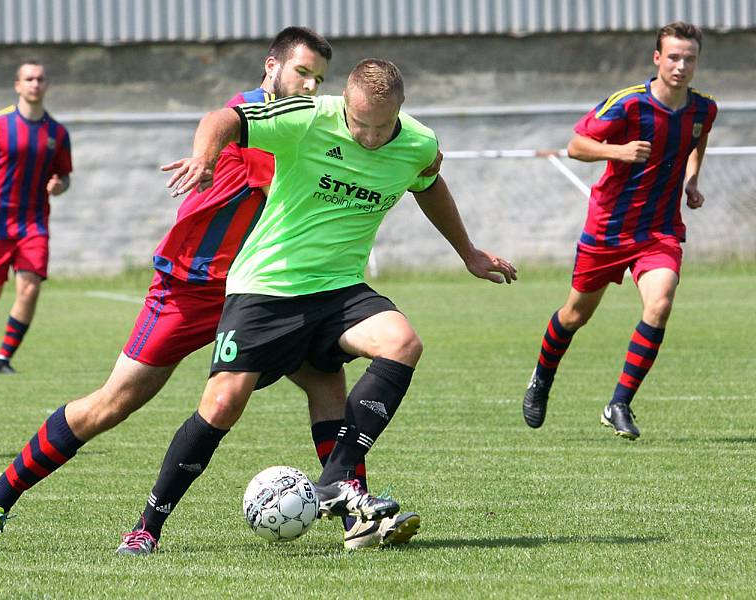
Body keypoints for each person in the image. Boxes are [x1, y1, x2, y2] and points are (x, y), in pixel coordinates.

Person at [0, 28, 432, 556]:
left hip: (272, 289)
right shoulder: (261, 120)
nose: (309, 86)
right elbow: (224, 124)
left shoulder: (323, 125)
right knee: (113, 403)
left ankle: (356, 512)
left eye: (320, 78)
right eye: (302, 72)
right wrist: (205, 156)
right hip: (194, 285)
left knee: (325, 380)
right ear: (271, 66)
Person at [117, 57, 516, 554]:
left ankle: (341, 484)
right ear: (345, 104)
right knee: (222, 404)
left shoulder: (417, 143)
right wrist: (205, 155)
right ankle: (147, 527)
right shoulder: (307, 118)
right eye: (361, 124)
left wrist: (469, 253)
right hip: (266, 285)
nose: (371, 137)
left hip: (339, 288)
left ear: (402, 110)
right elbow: (227, 118)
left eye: (383, 126)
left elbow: (428, 184)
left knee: (402, 342)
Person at [522, 22, 716, 440]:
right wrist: (618, 151)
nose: (682, 66)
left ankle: (619, 403)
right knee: (575, 315)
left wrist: (691, 181)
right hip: (609, 229)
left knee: (660, 303)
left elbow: (697, 142)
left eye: (690, 58)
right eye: (674, 57)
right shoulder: (629, 104)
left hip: (659, 230)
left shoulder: (703, 109)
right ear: (657, 58)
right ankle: (542, 376)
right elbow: (576, 145)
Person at [0, 61, 72, 374]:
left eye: (40, 79)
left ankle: (3, 359)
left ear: (46, 86)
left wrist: (59, 185)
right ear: (17, 85)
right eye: (29, 79)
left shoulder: (57, 133)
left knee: (30, 286)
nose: (35, 84)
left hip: (33, 223)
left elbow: (64, 175)